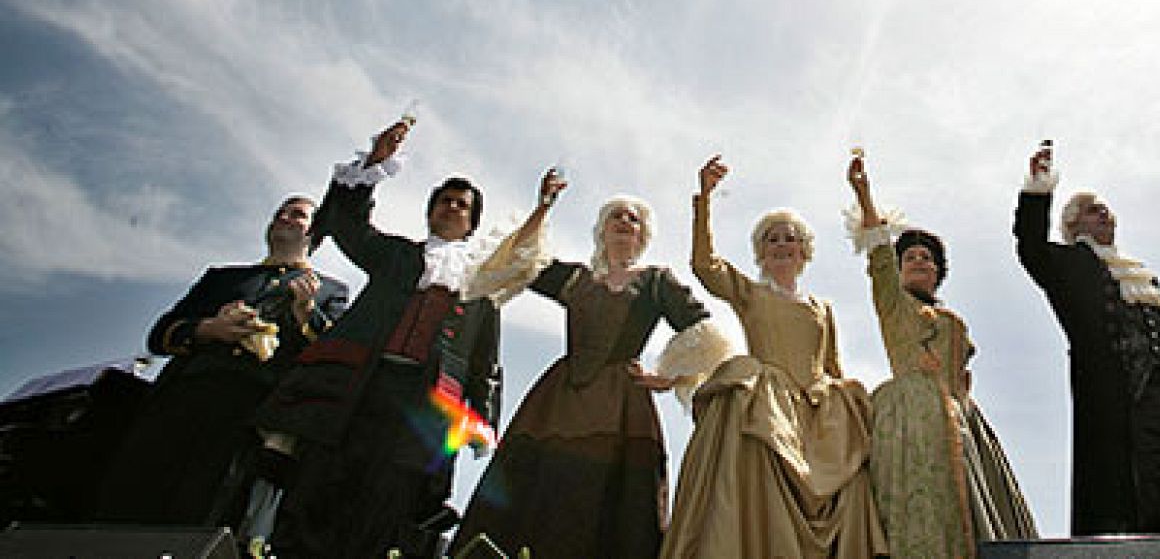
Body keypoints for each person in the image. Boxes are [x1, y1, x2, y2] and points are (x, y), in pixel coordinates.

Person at [447, 174, 734, 558]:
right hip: (559, 401)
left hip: (622, 406)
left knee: (611, 498)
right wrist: (543, 206)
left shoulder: (655, 281)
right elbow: (519, 260)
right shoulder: (577, 279)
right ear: (603, 229)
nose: (624, 221)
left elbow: (707, 334)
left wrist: (669, 378)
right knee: (539, 483)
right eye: (617, 215)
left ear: (642, 234)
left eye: (633, 218)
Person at [254, 119, 503, 559]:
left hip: (423, 409)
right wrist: (374, 164)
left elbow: (484, 366)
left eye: (461, 205)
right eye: (443, 201)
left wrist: (481, 420)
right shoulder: (394, 255)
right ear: (430, 212)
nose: (450, 207)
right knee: (314, 498)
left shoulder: (483, 291)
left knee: (385, 515)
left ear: (471, 224)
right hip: (357, 390)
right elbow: (346, 223)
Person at [1012, 143, 1160, 558]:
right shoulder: (1069, 267)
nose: (1102, 213)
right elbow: (1030, 246)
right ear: (1072, 226)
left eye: (1104, 208)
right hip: (1121, 408)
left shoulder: (1142, 277)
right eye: (1091, 210)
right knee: (1140, 504)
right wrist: (1038, 189)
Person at [659, 155, 888, 559]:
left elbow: (832, 364)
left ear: (804, 251)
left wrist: (845, 413)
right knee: (762, 480)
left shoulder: (822, 307)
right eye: (772, 239)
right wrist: (705, 200)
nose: (781, 244)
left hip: (821, 413)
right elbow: (704, 265)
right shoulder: (751, 294)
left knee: (849, 483)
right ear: (761, 253)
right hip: (766, 406)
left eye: (789, 238)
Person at [95, 196, 349, 528]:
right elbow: (159, 335)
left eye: (297, 215)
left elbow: (332, 358)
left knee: (204, 508)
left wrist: (307, 314)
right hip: (180, 398)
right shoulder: (221, 278)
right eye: (279, 213)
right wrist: (208, 328)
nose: (284, 218)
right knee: (131, 495)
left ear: (316, 231)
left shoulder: (331, 291)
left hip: (248, 413)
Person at [846, 152, 1036, 558]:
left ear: (938, 272)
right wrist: (864, 194)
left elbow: (963, 372)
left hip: (956, 415)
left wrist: (962, 404)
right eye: (910, 257)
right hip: (909, 415)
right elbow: (879, 256)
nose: (919, 261)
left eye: (927, 258)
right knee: (917, 508)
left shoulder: (955, 322)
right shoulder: (895, 306)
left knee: (974, 505)